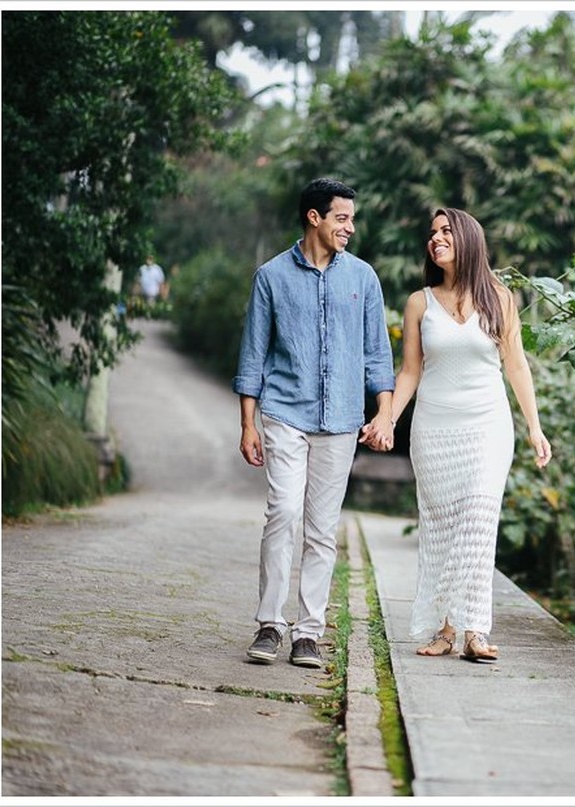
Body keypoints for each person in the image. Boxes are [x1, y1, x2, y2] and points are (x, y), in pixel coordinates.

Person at [233, 177, 396, 668]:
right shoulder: (271, 277)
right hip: (285, 412)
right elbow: (253, 354)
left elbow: (377, 354)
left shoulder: (364, 278)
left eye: (351, 218)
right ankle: (269, 624)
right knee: (283, 511)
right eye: (342, 217)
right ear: (315, 218)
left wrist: (384, 412)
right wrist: (248, 423)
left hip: (343, 419)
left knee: (323, 529)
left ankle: (308, 631)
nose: (350, 227)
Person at [380, 207, 551, 663]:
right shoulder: (420, 302)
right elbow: (411, 371)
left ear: (468, 238)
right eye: (432, 233)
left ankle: (475, 630)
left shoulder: (500, 297)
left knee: (477, 521)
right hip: (434, 431)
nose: (435, 238)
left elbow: (516, 364)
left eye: (445, 231)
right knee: (441, 529)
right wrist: (388, 419)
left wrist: (534, 427)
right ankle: (445, 630)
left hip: (487, 427)